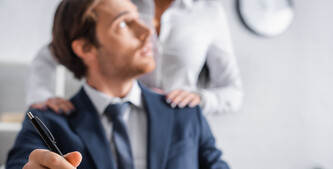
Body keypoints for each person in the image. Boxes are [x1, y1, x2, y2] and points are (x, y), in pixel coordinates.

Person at [1, 0, 333, 169]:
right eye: (126, 23)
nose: (148, 31)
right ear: (85, 48)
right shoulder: (49, 119)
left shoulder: (185, 112)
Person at [26, 0, 243, 115]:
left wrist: (200, 99)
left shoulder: (209, 12)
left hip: (180, 123)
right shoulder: (118, 4)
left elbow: (233, 91)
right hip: (115, 117)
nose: (146, 32)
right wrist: (41, 99)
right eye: (126, 23)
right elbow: (51, 54)